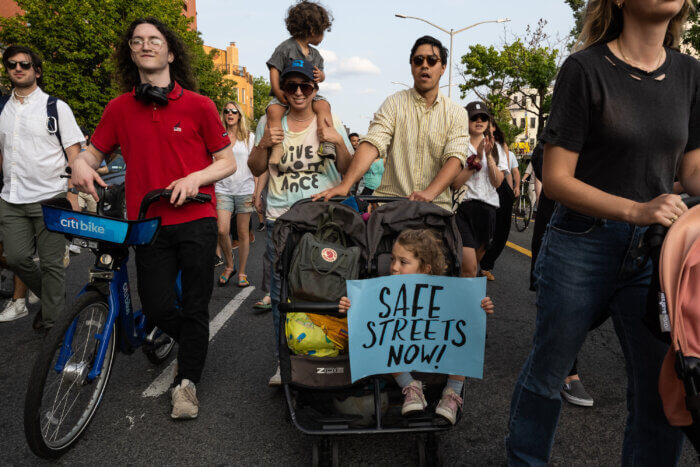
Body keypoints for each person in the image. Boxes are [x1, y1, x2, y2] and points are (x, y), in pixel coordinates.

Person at [506, 0, 700, 464]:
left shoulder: (691, 74)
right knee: (549, 373)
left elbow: (691, 170)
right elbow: (556, 177)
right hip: (581, 242)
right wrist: (635, 209)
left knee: (661, 387)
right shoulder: (584, 68)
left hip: (656, 252)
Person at [70, 17, 236, 420]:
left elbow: (226, 161)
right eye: (138, 41)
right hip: (147, 223)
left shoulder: (200, 105)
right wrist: (80, 163)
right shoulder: (118, 108)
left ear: (170, 51)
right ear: (131, 53)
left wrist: (194, 177)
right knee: (159, 307)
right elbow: (93, 153)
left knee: (195, 306)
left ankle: (187, 384)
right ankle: (195, 341)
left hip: (196, 218)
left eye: (155, 40)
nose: (146, 45)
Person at [248, 59, 353, 386]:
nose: (297, 92)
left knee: (326, 289)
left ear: (314, 89)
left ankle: (328, 355)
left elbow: (349, 169)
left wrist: (336, 139)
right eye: (291, 86)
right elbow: (254, 167)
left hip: (324, 221)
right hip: (283, 220)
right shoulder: (270, 123)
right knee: (283, 296)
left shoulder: (328, 119)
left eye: (304, 86)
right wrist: (264, 143)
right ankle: (285, 362)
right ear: (284, 90)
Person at [338, 229, 494, 425]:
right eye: (393, 259)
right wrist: (351, 306)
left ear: (425, 269)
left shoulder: (444, 293)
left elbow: (465, 316)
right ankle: (411, 388)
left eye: (403, 262)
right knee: (381, 333)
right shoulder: (382, 291)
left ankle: (452, 393)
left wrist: (480, 308)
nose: (394, 267)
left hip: (435, 355)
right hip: (398, 362)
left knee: (462, 328)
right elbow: (365, 319)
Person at [314, 35, 468, 210]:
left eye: (432, 60)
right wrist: (346, 184)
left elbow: (455, 158)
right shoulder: (394, 103)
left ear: (443, 68)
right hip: (391, 207)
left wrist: (429, 193)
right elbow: (373, 143)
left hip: (435, 209)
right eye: (418, 60)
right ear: (411, 66)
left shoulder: (457, 114)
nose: (424, 65)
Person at [0, 45, 83, 329]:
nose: (18, 69)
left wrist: (72, 193)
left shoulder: (55, 107)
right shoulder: (2, 108)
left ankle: (53, 327)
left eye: (25, 64)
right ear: (7, 70)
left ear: (37, 70)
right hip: (11, 197)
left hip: (51, 197)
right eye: (12, 65)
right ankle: (49, 299)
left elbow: (75, 153)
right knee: (15, 257)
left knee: (51, 264)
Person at [266, 0, 335, 164]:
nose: (323, 36)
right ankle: (277, 147)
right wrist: (278, 91)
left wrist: (321, 76)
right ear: (312, 29)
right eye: (322, 31)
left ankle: (327, 142)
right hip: (286, 93)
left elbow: (322, 73)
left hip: (307, 95)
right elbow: (274, 69)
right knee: (274, 111)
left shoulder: (315, 54)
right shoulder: (286, 47)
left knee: (324, 106)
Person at [451, 103, 507, 279]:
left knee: (471, 270)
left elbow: (497, 183)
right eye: (474, 117)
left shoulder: (496, 148)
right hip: (463, 208)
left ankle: (461, 300)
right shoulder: (458, 145)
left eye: (483, 117)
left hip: (488, 209)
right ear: (466, 120)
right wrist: (477, 159)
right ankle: (463, 304)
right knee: (468, 268)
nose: (479, 121)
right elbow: (455, 184)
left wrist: (488, 156)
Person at [215, 100, 256, 287]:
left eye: (234, 111)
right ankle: (230, 266)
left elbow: (256, 166)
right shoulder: (217, 137)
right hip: (222, 189)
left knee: (242, 234)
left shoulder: (250, 137)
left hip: (245, 189)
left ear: (239, 115)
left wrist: (257, 190)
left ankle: (242, 272)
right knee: (222, 230)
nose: (230, 114)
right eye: (226, 111)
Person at [479, 120, 517, 281]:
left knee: (502, 231)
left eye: (492, 125)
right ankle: (475, 262)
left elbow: (506, 171)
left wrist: (510, 192)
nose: (490, 129)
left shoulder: (502, 145)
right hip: (484, 189)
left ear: (495, 127)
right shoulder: (476, 141)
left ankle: (486, 266)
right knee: (484, 228)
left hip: (502, 189)